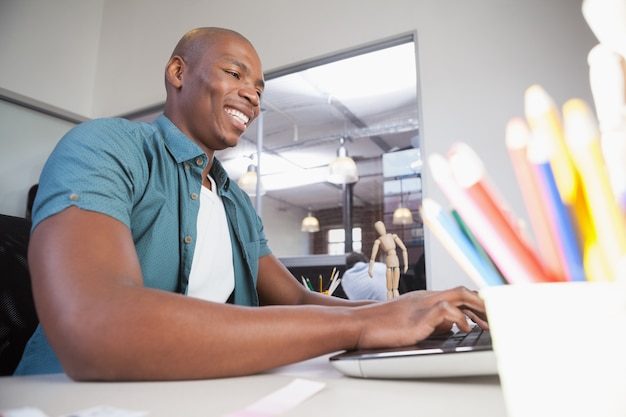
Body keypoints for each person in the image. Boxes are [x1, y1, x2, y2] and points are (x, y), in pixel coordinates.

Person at [15, 27, 488, 381]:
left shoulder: (235, 202)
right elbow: (95, 323)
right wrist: (364, 324)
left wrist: (410, 311)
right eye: (234, 73)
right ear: (178, 72)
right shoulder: (105, 146)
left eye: (259, 88)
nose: (252, 95)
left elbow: (299, 299)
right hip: (70, 400)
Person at [369, 221, 409, 299]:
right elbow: (372, 257)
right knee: (390, 287)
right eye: (378, 228)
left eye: (381, 227)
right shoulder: (378, 241)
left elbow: (404, 249)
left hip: (394, 259)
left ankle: (396, 300)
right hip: (389, 260)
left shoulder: (393, 236)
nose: (381, 229)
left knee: (395, 287)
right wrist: (370, 269)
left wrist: (406, 264)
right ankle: (390, 301)